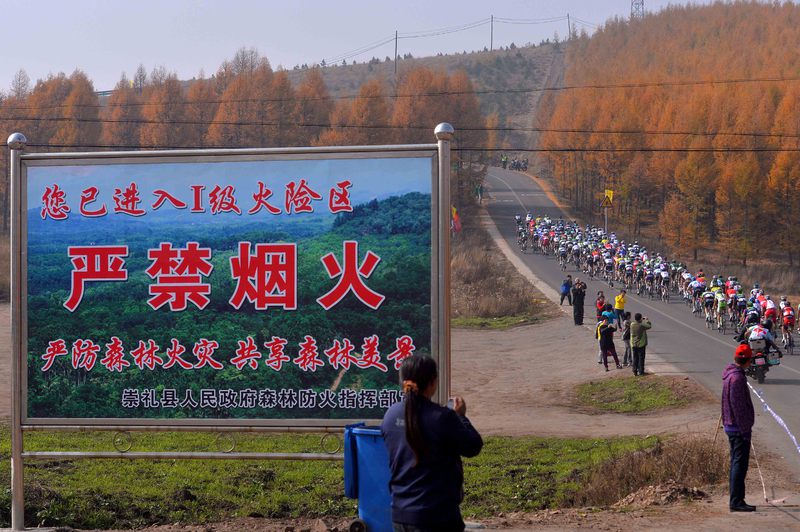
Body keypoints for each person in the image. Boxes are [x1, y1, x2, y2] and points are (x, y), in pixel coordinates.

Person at [381, 355, 483, 531]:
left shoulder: (390, 415)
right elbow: (473, 446)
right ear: (432, 382)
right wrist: (461, 417)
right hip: (437, 516)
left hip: (400, 515)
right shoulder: (443, 417)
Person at [722, 344, 756, 512]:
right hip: (737, 429)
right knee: (739, 465)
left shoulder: (731, 375)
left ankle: (738, 499)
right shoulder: (737, 379)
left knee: (737, 464)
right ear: (747, 360)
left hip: (733, 426)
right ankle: (736, 501)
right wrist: (745, 429)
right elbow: (738, 406)